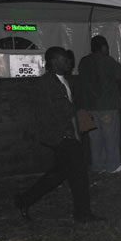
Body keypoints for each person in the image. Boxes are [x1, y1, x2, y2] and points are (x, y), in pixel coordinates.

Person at [15, 47, 102, 223]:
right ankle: (82, 214)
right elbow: (52, 111)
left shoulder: (65, 80)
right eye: (64, 60)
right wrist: (67, 129)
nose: (68, 62)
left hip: (69, 133)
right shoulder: (46, 83)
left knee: (59, 174)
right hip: (62, 135)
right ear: (54, 62)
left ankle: (24, 200)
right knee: (78, 176)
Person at [78, 35, 121, 173]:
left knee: (95, 138)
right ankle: (113, 166)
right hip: (107, 106)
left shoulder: (84, 62)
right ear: (104, 47)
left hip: (89, 107)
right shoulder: (106, 60)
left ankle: (98, 166)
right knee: (110, 136)